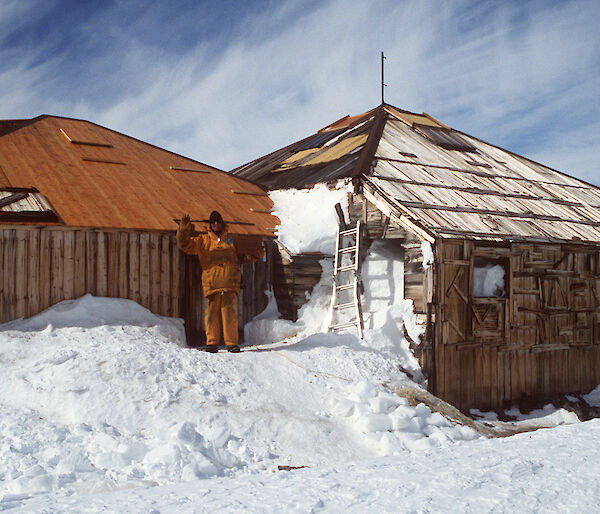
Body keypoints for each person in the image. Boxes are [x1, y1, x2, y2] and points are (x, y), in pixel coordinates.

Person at [176, 210, 263, 353]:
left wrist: (257, 253)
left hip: (230, 283)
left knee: (229, 313)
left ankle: (232, 344)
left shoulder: (231, 240)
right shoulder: (203, 240)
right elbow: (184, 245)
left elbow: (242, 258)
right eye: (213, 222)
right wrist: (184, 229)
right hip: (212, 283)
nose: (216, 224)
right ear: (210, 224)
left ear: (222, 223)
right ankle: (212, 343)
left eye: (218, 221)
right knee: (212, 314)